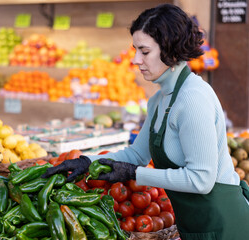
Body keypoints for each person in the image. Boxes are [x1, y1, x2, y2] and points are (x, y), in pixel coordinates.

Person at [42, 3, 249, 239]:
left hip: (225, 225)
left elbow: (201, 180)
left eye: (145, 51)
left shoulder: (193, 99)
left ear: (171, 50)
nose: (135, 59)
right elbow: (136, 156)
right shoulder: (160, 99)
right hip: (194, 224)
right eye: (135, 49)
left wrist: (135, 173)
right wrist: (88, 162)